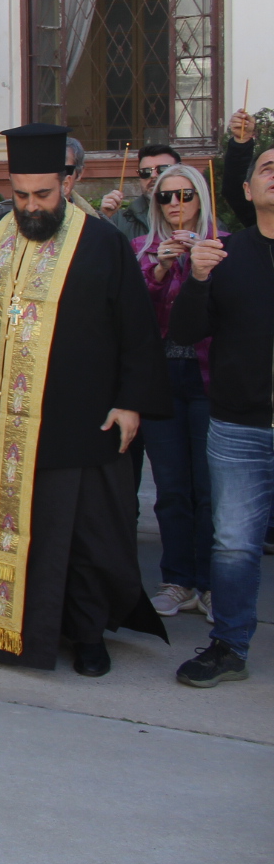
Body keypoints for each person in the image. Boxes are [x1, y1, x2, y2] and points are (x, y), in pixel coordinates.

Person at [0, 123, 170, 676]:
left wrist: (130, 402)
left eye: (42, 194)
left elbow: (137, 329)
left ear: (67, 184)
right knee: (2, 527)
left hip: (75, 419)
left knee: (79, 537)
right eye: (20, 194)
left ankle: (86, 636)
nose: (30, 206)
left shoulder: (102, 242)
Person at [168, 142, 274, 688]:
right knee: (233, 542)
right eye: (267, 167)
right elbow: (186, 332)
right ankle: (229, 646)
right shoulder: (224, 256)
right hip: (239, 425)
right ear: (247, 190)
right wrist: (198, 278)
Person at [132, 162, 221, 618]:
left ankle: (210, 583)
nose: (175, 204)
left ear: (201, 199)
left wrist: (202, 265)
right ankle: (177, 579)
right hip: (162, 378)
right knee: (170, 487)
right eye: (165, 196)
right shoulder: (142, 249)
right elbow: (132, 315)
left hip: (208, 379)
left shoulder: (222, 246)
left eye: (185, 195)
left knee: (209, 486)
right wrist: (160, 268)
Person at [101, 143, 180, 241]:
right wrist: (104, 218)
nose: (153, 175)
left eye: (162, 169)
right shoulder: (120, 220)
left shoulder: (193, 215)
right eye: (146, 172)